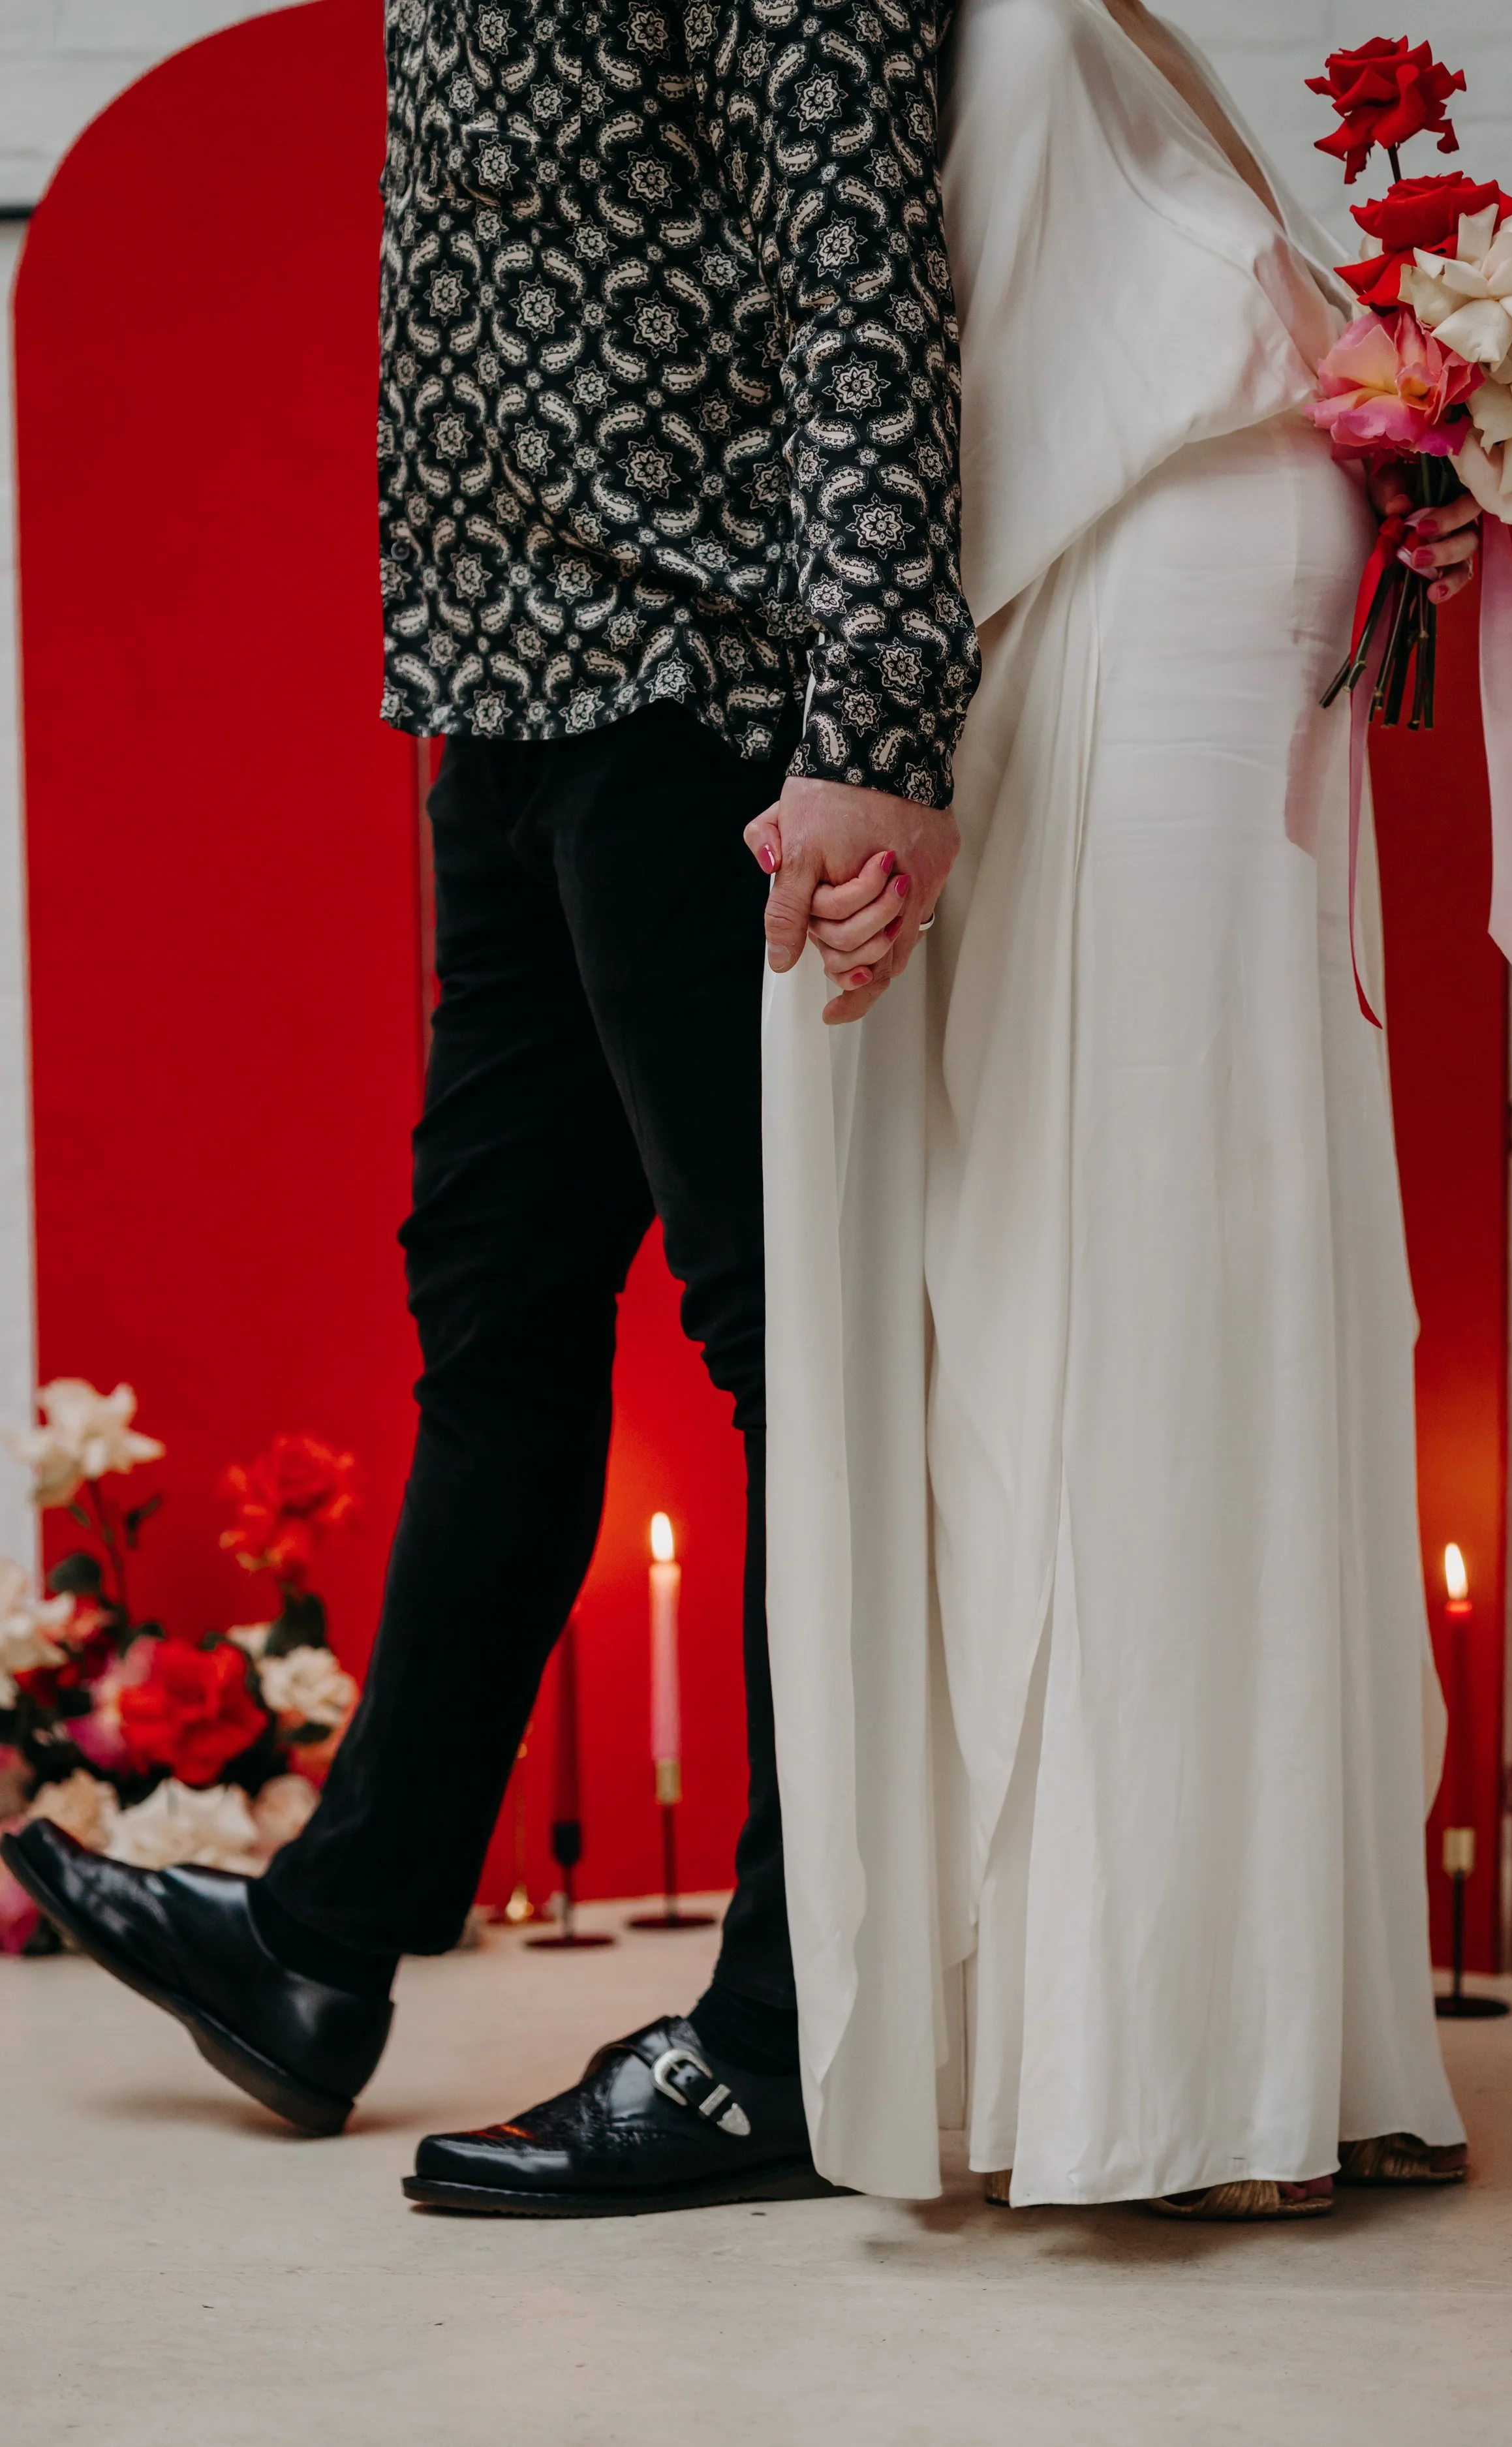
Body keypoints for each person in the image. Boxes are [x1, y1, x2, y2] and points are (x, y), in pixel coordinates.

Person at [1, 0, 975, 2218]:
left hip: (704, 702)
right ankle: (323, 1949)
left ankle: (784, 2038)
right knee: (501, 1328)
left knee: (791, 1365)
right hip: (504, 692)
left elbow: (858, 270)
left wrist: (878, 714)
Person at [749, 0, 1476, 2221]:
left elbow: (1028, 343)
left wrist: (1392, 443)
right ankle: (1199, 2041)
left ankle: (1223, 2041)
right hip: (1164, 654)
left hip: (1186, 666)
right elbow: (1007, 348)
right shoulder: (1034, 26)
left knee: (1184, 1296)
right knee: (1163, 1284)